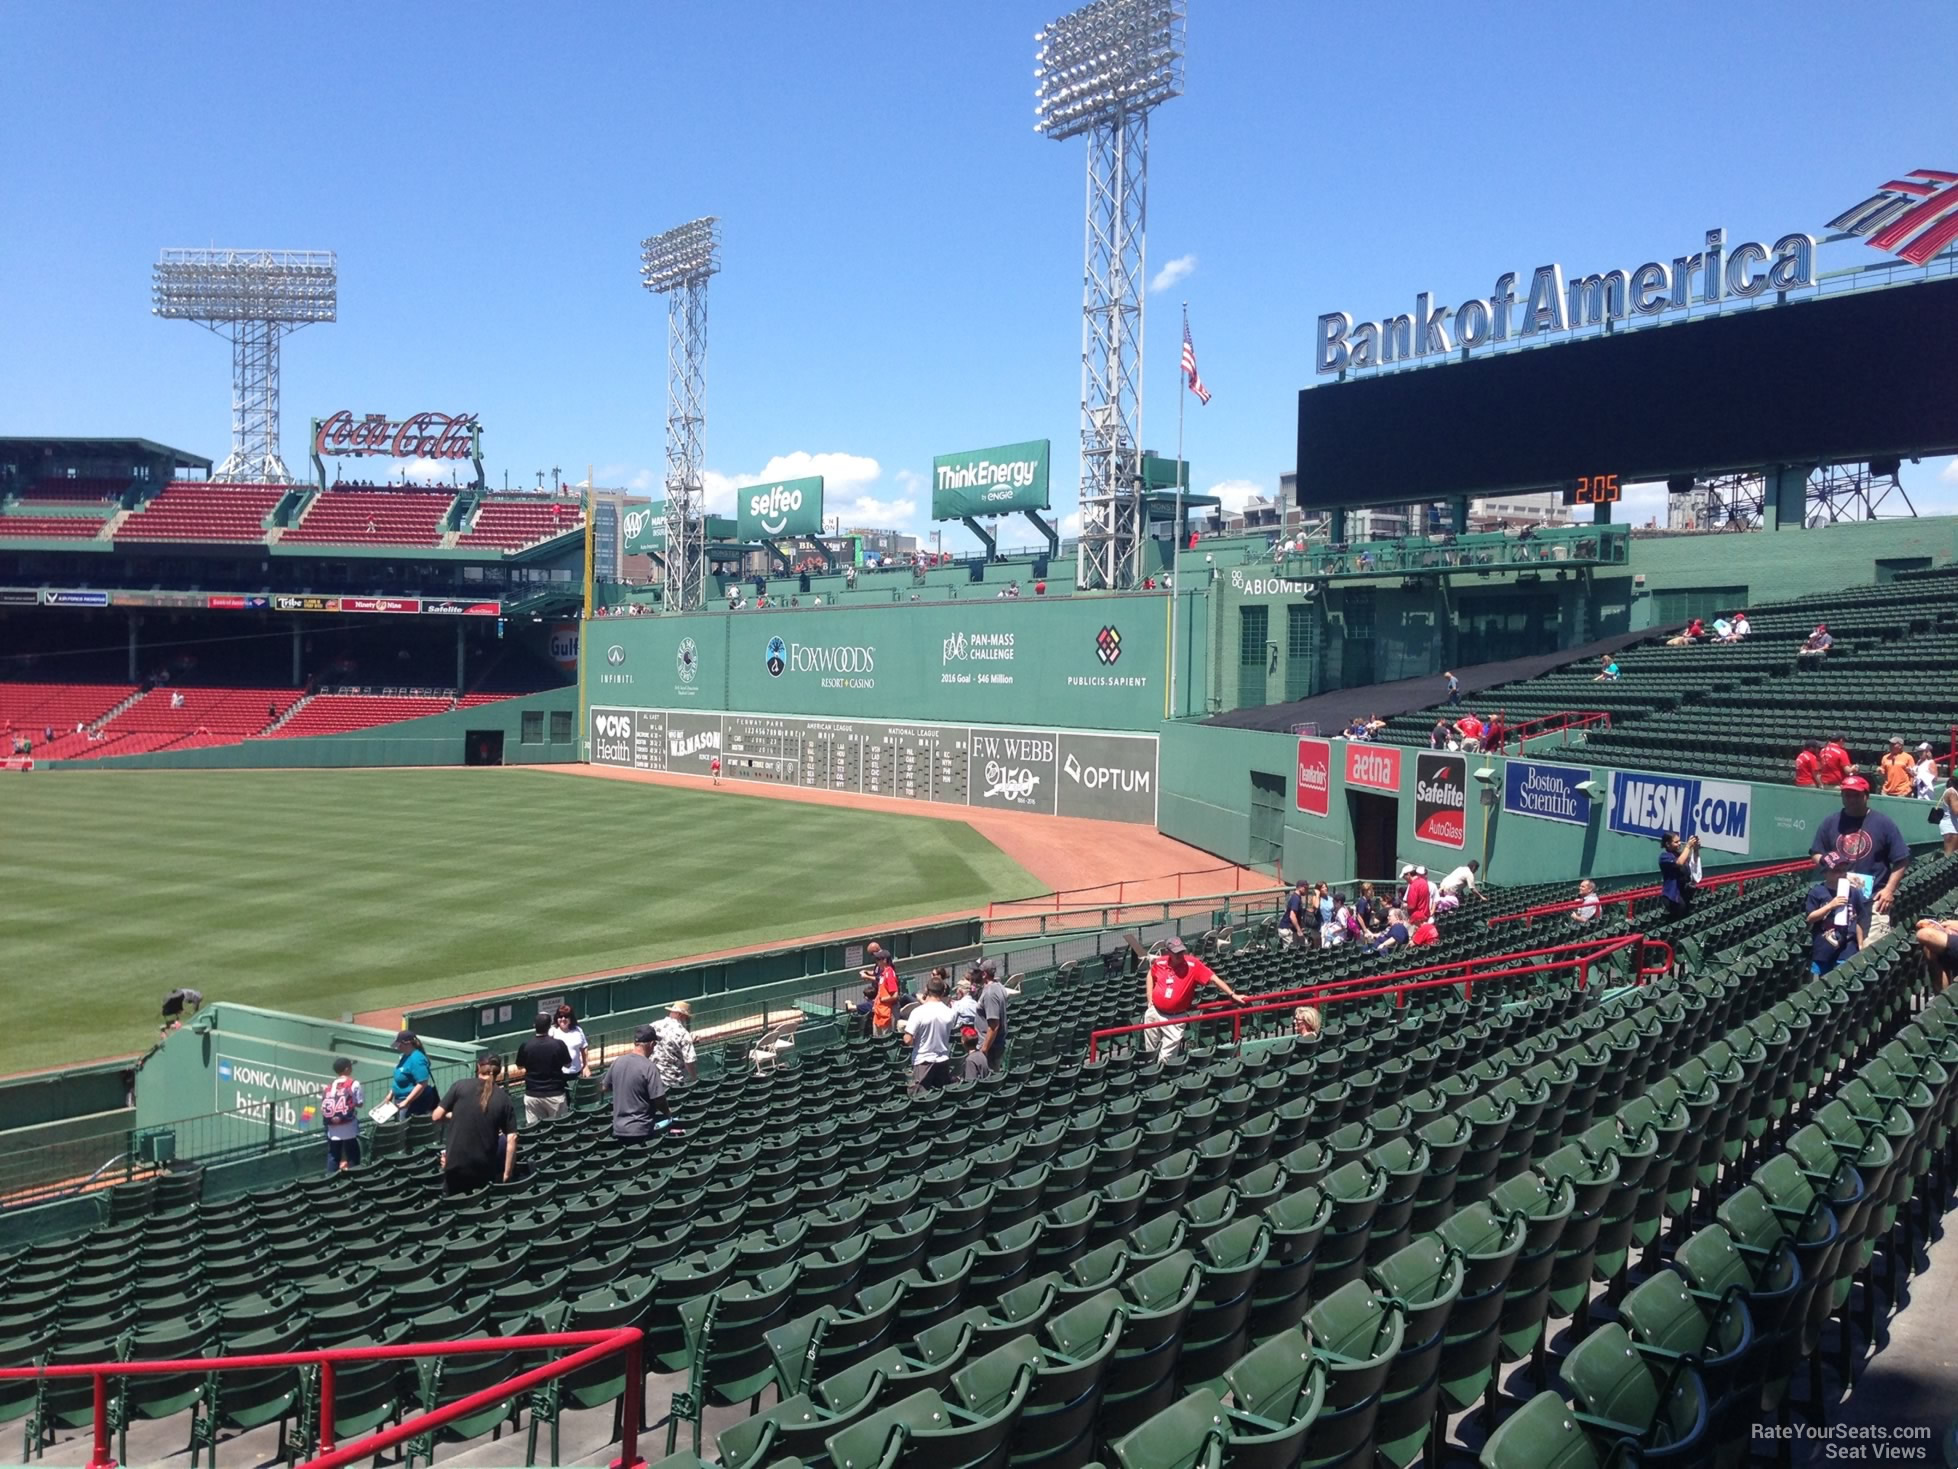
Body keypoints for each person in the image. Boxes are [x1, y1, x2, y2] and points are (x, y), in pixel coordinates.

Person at [1810, 775, 1910, 942]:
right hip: (1838, 899)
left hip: (1873, 901)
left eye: (1856, 795)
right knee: (1839, 955)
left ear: (1866, 796)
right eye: (1847, 795)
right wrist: (1827, 863)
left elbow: (1902, 859)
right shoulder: (1830, 823)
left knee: (1871, 954)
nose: (1851, 799)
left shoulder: (1883, 823)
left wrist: (1889, 890)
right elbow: (1816, 852)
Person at [1126, 934, 1243, 1062]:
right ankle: (1150, 1073)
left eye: (1181, 951)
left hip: (1175, 1017)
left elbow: (1213, 978)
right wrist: (1149, 998)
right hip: (1155, 1012)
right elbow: (1150, 974)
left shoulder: (1193, 964)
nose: (1180, 955)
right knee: (1150, 1051)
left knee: (1166, 1058)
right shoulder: (1160, 962)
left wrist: (1232, 994)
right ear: (1168, 952)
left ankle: (1161, 1077)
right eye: (1176, 953)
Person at [431, 1053, 518, 1195]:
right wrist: (507, 1174)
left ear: (478, 1067)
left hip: (455, 1164)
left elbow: (436, 1116)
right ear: (499, 1070)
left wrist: (458, 1115)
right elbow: (512, 1138)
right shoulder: (504, 1099)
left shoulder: (460, 1086)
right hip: (484, 1167)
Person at [600, 1024, 673, 1143]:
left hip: (619, 1129)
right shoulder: (649, 1067)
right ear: (651, 1044)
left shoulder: (617, 1062)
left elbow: (604, 1087)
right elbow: (658, 1099)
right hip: (642, 1130)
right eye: (654, 1045)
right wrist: (667, 1113)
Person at [508, 1014, 572, 1126]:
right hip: (555, 1094)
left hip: (533, 1094)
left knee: (534, 1131)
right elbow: (568, 1064)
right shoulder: (558, 1044)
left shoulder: (526, 1046)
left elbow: (519, 1066)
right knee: (560, 1129)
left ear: (534, 1026)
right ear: (550, 1026)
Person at [902, 974, 957, 1092]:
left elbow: (907, 1039)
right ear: (943, 992)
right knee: (939, 1098)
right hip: (943, 1060)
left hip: (923, 1061)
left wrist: (915, 1041)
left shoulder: (918, 1012)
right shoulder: (950, 1013)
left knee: (920, 1098)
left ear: (927, 990)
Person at [1805, 877, 1870, 977]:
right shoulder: (1817, 892)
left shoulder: (1854, 892)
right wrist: (1830, 906)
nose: (1839, 872)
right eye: (1835, 870)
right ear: (1826, 872)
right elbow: (1810, 918)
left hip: (1848, 946)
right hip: (1823, 947)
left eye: (1843, 869)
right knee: (1824, 983)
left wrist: (1860, 944)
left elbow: (1859, 919)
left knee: (1844, 978)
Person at [318, 1057, 363, 1177]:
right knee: (353, 1152)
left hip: (332, 1126)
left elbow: (323, 1107)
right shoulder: (354, 1083)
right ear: (347, 1069)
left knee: (333, 1154)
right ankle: (354, 1178)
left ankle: (330, 1181)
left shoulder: (329, 1085)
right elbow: (360, 1103)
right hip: (348, 1125)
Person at [970, 962, 1009, 1078]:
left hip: (990, 1048)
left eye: (976, 972)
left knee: (989, 1080)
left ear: (984, 974)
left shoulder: (990, 993)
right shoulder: (999, 986)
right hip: (996, 1045)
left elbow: (993, 1026)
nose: (972, 974)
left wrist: (984, 1050)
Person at [651, 1001, 699, 1091]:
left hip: (652, 1077)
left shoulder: (653, 1025)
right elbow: (689, 1061)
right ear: (681, 1016)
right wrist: (694, 1077)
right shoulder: (684, 1034)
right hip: (672, 1080)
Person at [389, 1031, 438, 1116]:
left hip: (413, 1103)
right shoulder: (405, 1056)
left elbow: (422, 1083)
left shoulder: (417, 1059)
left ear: (407, 1043)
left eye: (399, 1044)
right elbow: (400, 1078)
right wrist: (390, 1094)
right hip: (401, 1101)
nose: (397, 1048)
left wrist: (407, 1101)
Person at [1657, 832, 1699, 919]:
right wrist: (1688, 846)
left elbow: (1693, 862)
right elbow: (1679, 862)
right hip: (1672, 896)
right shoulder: (1664, 857)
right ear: (1668, 844)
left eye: (1679, 841)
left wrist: (1695, 849)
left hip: (1684, 893)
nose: (1679, 843)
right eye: (1676, 842)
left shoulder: (1680, 854)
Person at [862, 942, 901, 1036]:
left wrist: (882, 999)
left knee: (886, 1039)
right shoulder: (884, 973)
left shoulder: (889, 974)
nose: (877, 961)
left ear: (885, 960)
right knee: (877, 1038)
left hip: (887, 1012)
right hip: (880, 1012)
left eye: (879, 959)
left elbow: (895, 995)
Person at [549, 1004, 590, 1084]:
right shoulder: (553, 1031)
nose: (563, 1019)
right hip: (558, 1075)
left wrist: (585, 1066)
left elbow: (584, 1048)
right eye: (560, 1017)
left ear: (571, 1018)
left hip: (576, 1073)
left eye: (566, 1017)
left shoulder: (578, 1030)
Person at [1281, 880, 1312, 948]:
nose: (1307, 890)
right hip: (1286, 928)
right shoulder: (1295, 898)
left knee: (1303, 945)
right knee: (1291, 950)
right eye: (1306, 888)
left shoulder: (1297, 897)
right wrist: (1299, 930)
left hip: (1290, 928)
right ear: (1301, 887)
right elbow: (1292, 916)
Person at [1937, 771, 1958, 857]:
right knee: (1949, 856)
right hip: (1951, 828)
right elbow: (1956, 811)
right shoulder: (1952, 793)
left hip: (1953, 826)